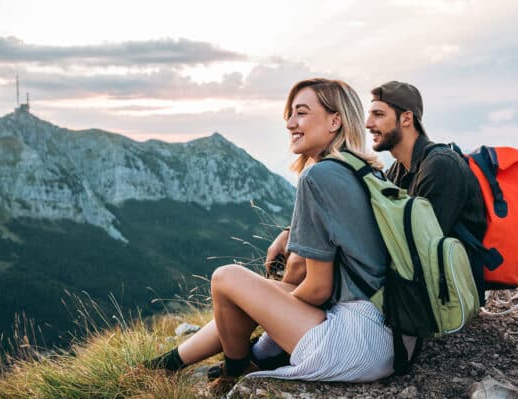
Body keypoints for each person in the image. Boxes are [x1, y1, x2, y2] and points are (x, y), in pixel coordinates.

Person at [144, 78, 400, 394]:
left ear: (335, 120)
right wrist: (285, 248)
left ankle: (234, 372)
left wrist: (268, 325)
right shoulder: (364, 170)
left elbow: (318, 289)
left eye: (301, 113)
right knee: (249, 294)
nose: (290, 123)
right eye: (290, 115)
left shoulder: (318, 175)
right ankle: (164, 366)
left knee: (226, 278)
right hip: (389, 335)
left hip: (356, 341)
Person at [365, 80, 487, 299]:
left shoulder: (441, 166)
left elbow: (421, 247)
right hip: (425, 283)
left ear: (406, 118)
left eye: (378, 115)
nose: (368, 123)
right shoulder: (398, 170)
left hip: (448, 294)